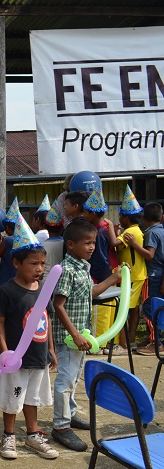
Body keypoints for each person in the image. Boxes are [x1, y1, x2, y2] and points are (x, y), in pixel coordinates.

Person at [50, 220, 122, 452]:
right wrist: (75, 334)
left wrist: (113, 278)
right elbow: (58, 305)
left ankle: (69, 414)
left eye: (93, 243)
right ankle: (60, 426)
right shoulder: (66, 270)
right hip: (69, 336)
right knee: (66, 380)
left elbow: (89, 293)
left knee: (75, 376)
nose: (92, 247)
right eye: (87, 243)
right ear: (71, 245)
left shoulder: (83, 266)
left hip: (81, 334)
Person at [0, 217, 59, 460]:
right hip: (16, 359)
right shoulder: (7, 291)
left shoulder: (42, 289)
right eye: (33, 264)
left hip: (38, 356)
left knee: (33, 398)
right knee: (13, 397)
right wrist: (4, 351)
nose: (39, 269)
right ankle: (8, 435)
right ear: (16, 263)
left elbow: (46, 319)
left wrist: (51, 349)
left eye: (42, 264)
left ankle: (32, 435)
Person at [82, 188, 118, 353]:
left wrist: (98, 276)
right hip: (106, 272)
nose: (84, 214)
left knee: (100, 310)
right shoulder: (105, 227)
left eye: (86, 212)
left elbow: (101, 257)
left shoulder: (100, 232)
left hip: (100, 274)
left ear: (93, 214)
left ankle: (99, 343)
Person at [113, 186, 146, 353]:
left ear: (126, 217)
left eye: (120, 216)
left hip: (131, 275)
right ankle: (131, 340)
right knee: (132, 309)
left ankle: (124, 345)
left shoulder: (130, 232)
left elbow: (114, 243)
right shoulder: (136, 229)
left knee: (124, 308)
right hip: (137, 274)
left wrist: (112, 229)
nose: (119, 218)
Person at [133, 202, 164, 355]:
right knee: (155, 306)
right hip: (160, 275)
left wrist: (134, 244)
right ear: (162, 217)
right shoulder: (162, 230)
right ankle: (151, 337)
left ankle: (157, 342)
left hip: (152, 275)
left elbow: (150, 254)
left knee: (149, 307)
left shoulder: (151, 233)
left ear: (144, 219)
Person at [42, 205, 65, 281]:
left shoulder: (43, 246)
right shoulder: (67, 244)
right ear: (62, 228)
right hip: (62, 281)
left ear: (45, 226)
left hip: (46, 282)